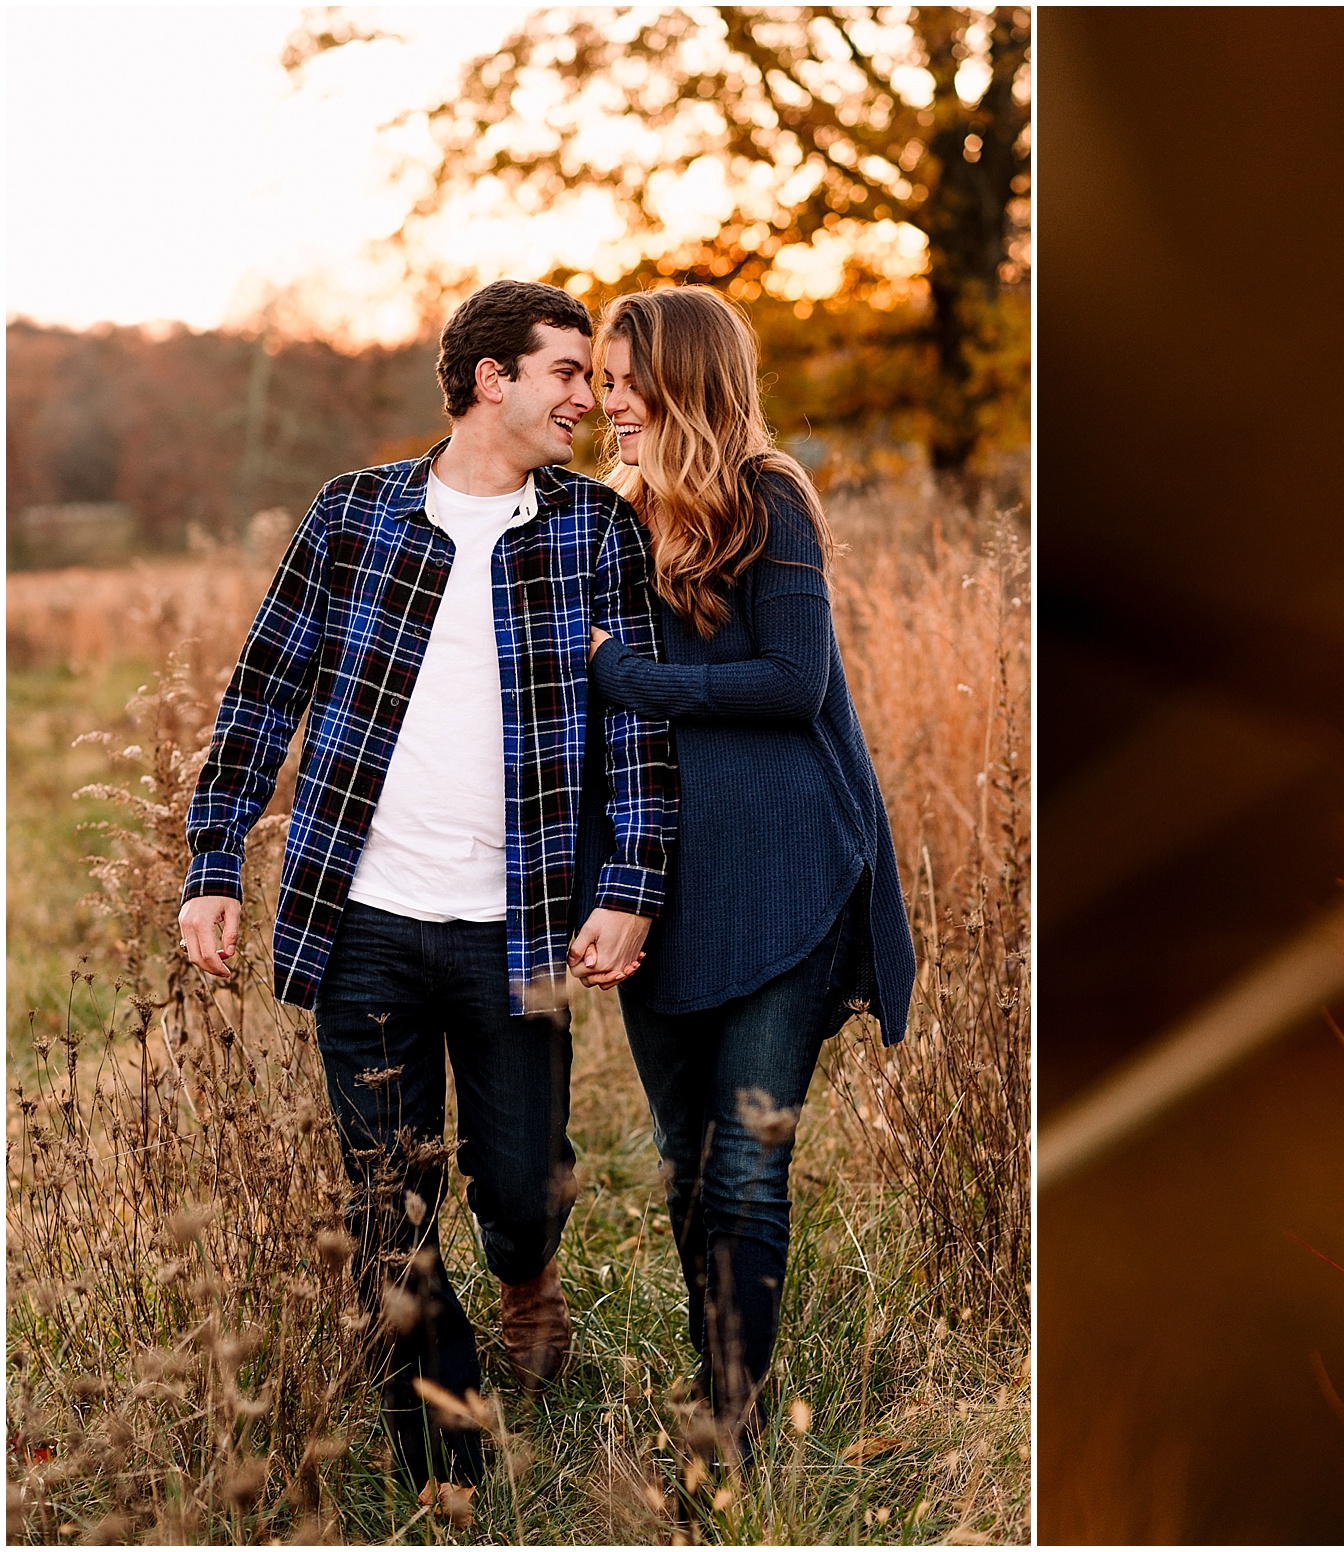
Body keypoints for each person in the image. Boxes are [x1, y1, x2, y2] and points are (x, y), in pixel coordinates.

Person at [177, 279, 676, 1490]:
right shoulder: (354, 515)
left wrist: (632, 881)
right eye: (567, 372)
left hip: (523, 925)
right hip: (366, 921)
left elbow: (639, 733)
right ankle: (448, 1462)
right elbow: (264, 688)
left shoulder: (596, 531)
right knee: (385, 1200)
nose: (589, 400)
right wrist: (214, 861)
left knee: (518, 1178)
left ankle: (527, 1275)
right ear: (490, 379)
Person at [580, 283, 917, 1460]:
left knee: (745, 1173)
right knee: (686, 1169)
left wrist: (637, 677)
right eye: (602, 383)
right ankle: (720, 1379)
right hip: (670, 880)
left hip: (791, 864)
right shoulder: (614, 517)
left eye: (624, 381)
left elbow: (795, 683)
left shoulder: (769, 497)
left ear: (682, 379)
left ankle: (727, 1434)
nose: (606, 402)